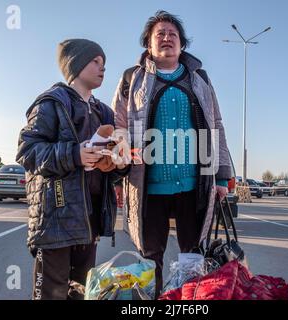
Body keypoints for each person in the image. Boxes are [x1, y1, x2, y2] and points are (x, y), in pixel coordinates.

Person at [112, 10, 233, 298]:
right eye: (160, 34)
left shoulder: (199, 79)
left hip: (194, 184)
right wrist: (117, 176)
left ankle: (187, 300)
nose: (167, 38)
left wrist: (222, 175)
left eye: (173, 34)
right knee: (150, 254)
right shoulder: (133, 79)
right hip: (147, 185)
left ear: (181, 44)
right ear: (149, 45)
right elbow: (118, 126)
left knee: (192, 255)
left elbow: (215, 125)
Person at [16, 39, 125, 300]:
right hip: (55, 219)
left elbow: (111, 172)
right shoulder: (52, 102)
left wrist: (119, 164)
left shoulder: (105, 112)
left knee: (81, 294)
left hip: (90, 220)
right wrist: (74, 154)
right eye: (95, 61)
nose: (103, 68)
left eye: (104, 64)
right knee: (50, 294)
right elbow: (27, 151)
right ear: (75, 64)